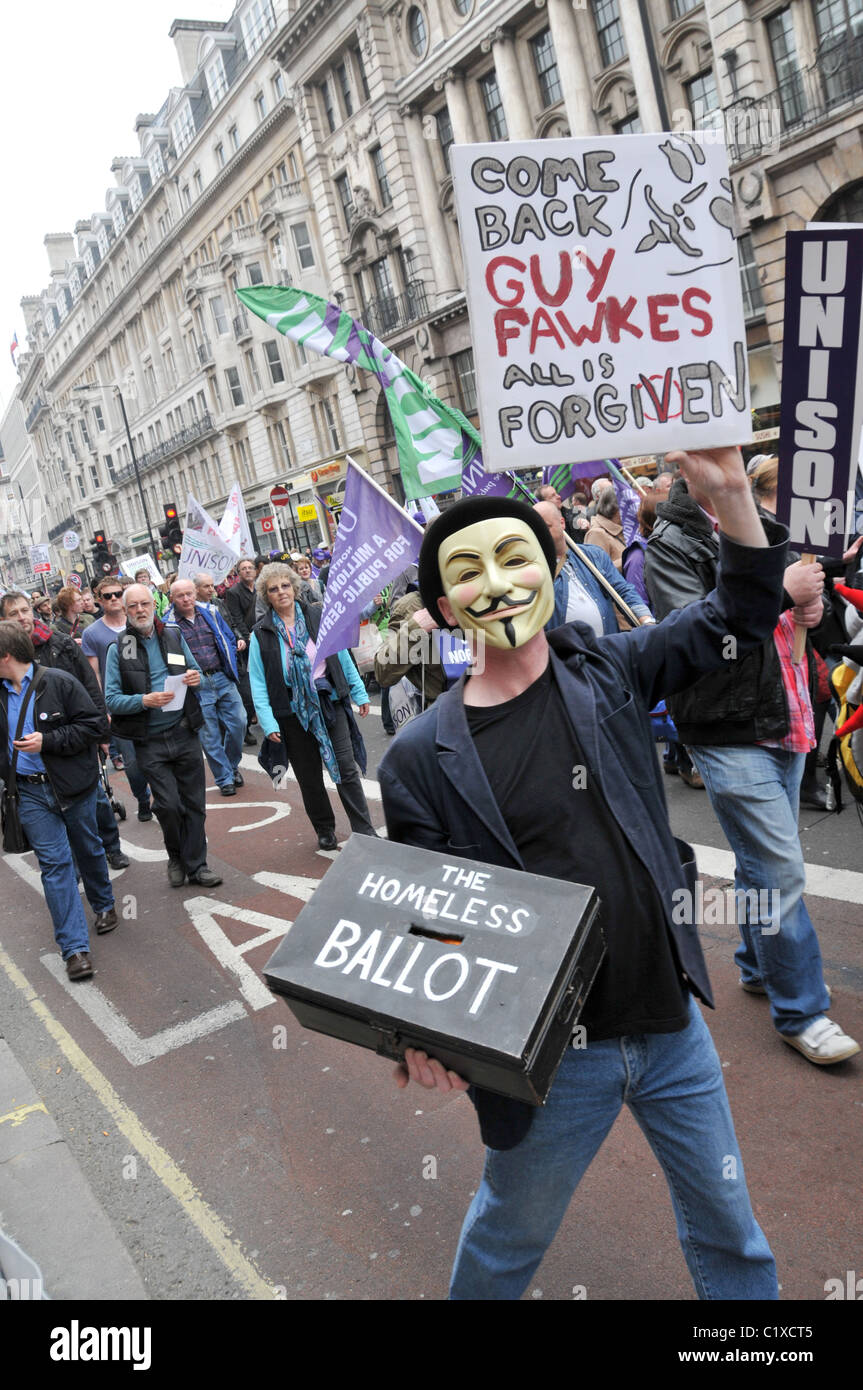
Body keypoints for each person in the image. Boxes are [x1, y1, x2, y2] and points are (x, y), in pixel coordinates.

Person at [378, 454, 783, 1301]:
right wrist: (420, 1038)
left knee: (728, 1226)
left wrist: (734, 498)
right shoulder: (421, 758)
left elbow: (740, 611)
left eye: (514, 557)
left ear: (552, 570)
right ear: (445, 609)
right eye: (468, 574)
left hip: (671, 1026)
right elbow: (418, 919)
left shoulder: (612, 669)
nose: (498, 584)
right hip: (552, 1060)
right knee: (507, 1237)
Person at [645, 468, 859, 1065]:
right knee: (781, 868)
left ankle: (755, 964)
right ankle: (802, 1011)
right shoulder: (671, 544)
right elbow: (694, 633)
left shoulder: (762, 526)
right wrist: (782, 595)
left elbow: (784, 623)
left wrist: (806, 609)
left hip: (782, 714)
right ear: (690, 465)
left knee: (760, 859)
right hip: (726, 724)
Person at [0, 622, 118, 980]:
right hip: (29, 792)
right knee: (54, 866)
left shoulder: (59, 682)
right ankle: (74, 949)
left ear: (5, 656)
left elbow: (96, 726)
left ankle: (104, 904)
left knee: (88, 847)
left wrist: (46, 742)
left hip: (73, 786)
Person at [248, 563, 376, 848]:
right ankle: (325, 829)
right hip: (292, 713)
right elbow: (258, 680)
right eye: (273, 589)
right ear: (266, 596)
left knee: (346, 769)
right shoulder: (261, 633)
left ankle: (364, 828)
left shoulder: (318, 615)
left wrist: (359, 692)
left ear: (294, 588)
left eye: (285, 586)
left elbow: (341, 656)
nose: (281, 592)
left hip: (329, 702)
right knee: (309, 777)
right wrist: (268, 722)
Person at [0, 590, 130, 868]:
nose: (22, 617)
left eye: (25, 610)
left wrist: (101, 732)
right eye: (14, 613)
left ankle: (111, 846)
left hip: (74, 734)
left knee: (95, 796)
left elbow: (87, 681)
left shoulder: (58, 642)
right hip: (37, 754)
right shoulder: (6, 656)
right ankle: (75, 863)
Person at [104, 585, 222, 889]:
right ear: (126, 611)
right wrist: (144, 701)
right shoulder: (120, 648)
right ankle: (175, 856)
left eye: (145, 604)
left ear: (154, 606)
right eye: (134, 606)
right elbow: (112, 699)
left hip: (183, 731)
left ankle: (197, 866)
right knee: (168, 806)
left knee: (194, 803)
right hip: (149, 740)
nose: (140, 610)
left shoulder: (172, 634)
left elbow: (194, 672)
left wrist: (194, 678)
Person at [163, 578, 246, 796]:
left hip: (222, 677)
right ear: (172, 598)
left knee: (239, 723)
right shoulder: (167, 623)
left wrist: (232, 663)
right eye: (180, 595)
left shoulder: (211, 611)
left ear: (194, 593)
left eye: (189, 593)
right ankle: (224, 778)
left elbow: (227, 636)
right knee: (209, 736)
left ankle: (231, 764)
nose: (186, 598)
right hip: (197, 686)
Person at [82, 576, 153, 821]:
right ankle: (143, 799)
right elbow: (95, 675)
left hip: (151, 700)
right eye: (108, 595)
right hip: (120, 707)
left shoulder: (139, 622)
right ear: (99, 600)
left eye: (117, 593)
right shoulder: (92, 633)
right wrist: (103, 710)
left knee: (159, 758)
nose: (114, 598)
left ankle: (163, 799)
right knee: (132, 766)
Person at [534, 500, 652, 636]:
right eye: (535, 528)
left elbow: (622, 590)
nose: (540, 533)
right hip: (566, 654)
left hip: (607, 648)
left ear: (562, 523)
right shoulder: (534, 569)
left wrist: (646, 619)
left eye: (546, 526)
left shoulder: (593, 555)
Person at [223, 558, 259, 746]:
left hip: (264, 637)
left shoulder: (261, 588)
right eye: (243, 568)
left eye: (249, 568)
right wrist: (247, 637)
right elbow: (235, 619)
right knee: (247, 687)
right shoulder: (233, 592)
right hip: (248, 644)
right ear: (238, 573)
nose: (247, 571)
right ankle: (245, 728)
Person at [584, 487, 625, 570]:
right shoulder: (596, 534)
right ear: (616, 508)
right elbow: (598, 571)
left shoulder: (624, 528)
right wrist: (631, 558)